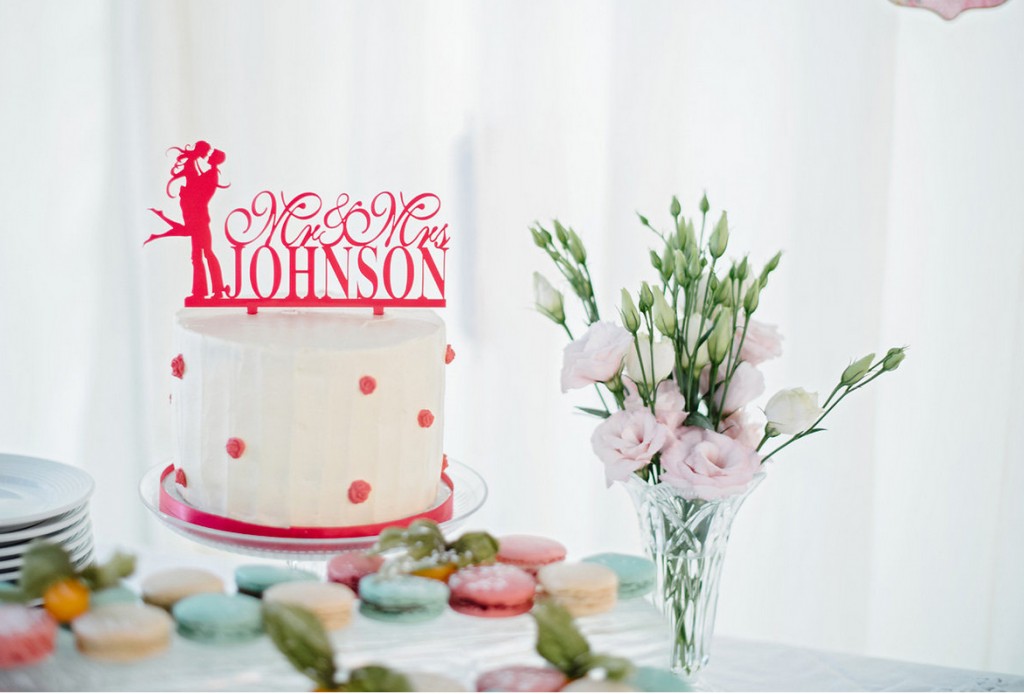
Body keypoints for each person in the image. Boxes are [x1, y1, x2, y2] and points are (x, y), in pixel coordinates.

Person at [146, 141, 227, 299]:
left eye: (212, 155)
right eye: (209, 153)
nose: (208, 156)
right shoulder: (207, 172)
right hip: (197, 218)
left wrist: (187, 191)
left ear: (215, 159)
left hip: (200, 218)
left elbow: (198, 190)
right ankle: (202, 291)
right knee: (198, 254)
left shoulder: (211, 174)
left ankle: (216, 290)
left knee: (205, 253)